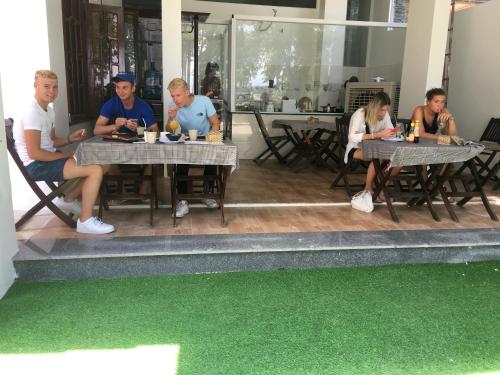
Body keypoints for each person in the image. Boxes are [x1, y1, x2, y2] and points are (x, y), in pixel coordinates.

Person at [14, 70, 114, 234]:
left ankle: (69, 199)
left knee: (104, 164)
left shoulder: (48, 110)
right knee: (94, 169)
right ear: (35, 86)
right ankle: (85, 221)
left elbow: (51, 141)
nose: (51, 91)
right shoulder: (32, 112)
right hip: (37, 165)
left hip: (48, 159)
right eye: (46, 86)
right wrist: (66, 155)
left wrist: (69, 139)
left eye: (55, 87)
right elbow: (34, 153)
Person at [94, 72, 159, 195]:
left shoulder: (143, 105)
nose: (120, 91)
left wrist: (138, 129)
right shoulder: (111, 104)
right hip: (115, 146)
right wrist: (115, 126)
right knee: (107, 157)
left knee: (154, 157)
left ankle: (144, 192)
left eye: (125, 87)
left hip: (139, 147)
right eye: (117, 87)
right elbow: (96, 130)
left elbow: (156, 132)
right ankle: (122, 192)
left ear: (133, 88)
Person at [166, 78, 221, 218]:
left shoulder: (204, 101)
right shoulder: (172, 105)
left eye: (178, 95)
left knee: (212, 161)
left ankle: (207, 195)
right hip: (185, 140)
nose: (175, 99)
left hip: (204, 139)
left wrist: (212, 140)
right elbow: (169, 131)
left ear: (187, 92)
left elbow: (215, 123)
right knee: (182, 164)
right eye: (172, 96)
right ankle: (183, 200)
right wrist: (171, 119)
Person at [344, 92, 401, 211]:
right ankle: (368, 189)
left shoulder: (385, 116)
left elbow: (390, 129)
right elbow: (353, 137)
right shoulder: (360, 114)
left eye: (386, 110)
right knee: (378, 157)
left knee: (398, 159)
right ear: (374, 107)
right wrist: (377, 134)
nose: (384, 113)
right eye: (381, 110)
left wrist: (393, 132)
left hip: (378, 148)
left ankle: (381, 189)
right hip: (356, 148)